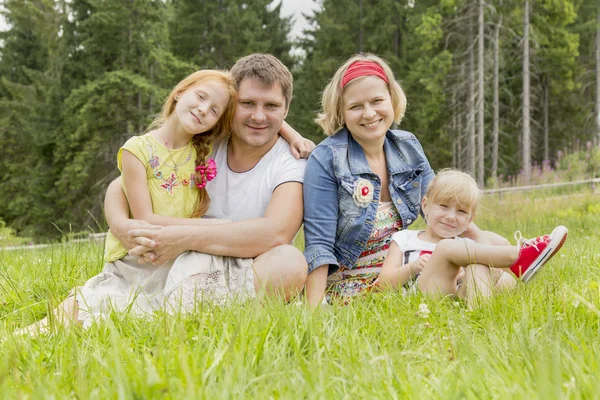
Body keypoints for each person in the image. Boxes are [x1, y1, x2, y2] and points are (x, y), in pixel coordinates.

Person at [302, 53, 557, 309]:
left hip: (413, 278)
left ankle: (479, 307)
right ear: (341, 111)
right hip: (361, 286)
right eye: (356, 106)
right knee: (459, 255)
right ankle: (517, 257)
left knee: (495, 275)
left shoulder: (407, 147)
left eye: (377, 100)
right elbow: (319, 244)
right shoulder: (327, 159)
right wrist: (315, 309)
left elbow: (443, 206)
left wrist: (479, 243)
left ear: (392, 99)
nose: (369, 113)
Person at [20, 69, 238, 332]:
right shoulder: (137, 150)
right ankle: (27, 335)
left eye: (214, 110)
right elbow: (147, 219)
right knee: (100, 302)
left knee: (164, 308)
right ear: (180, 92)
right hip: (138, 257)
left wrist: (292, 135)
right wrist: (219, 227)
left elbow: (259, 120)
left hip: (178, 254)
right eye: (200, 97)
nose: (204, 109)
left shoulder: (202, 151)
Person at [106, 53, 309, 309]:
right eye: (247, 103)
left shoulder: (292, 161)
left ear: (286, 110)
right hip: (179, 259)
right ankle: (181, 305)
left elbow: (276, 234)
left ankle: (177, 305)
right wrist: (118, 223)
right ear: (230, 106)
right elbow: (125, 181)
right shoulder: (204, 141)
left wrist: (184, 237)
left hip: (243, 267)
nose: (258, 116)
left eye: (271, 106)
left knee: (289, 262)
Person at [377, 169, 568, 308]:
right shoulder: (405, 239)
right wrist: (412, 267)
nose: (451, 216)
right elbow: (384, 283)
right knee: (446, 248)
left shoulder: (467, 245)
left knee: (480, 264)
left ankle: (480, 316)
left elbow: (503, 278)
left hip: (459, 302)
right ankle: (518, 256)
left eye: (461, 211)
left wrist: (471, 243)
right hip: (423, 303)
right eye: (443, 206)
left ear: (471, 218)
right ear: (425, 205)